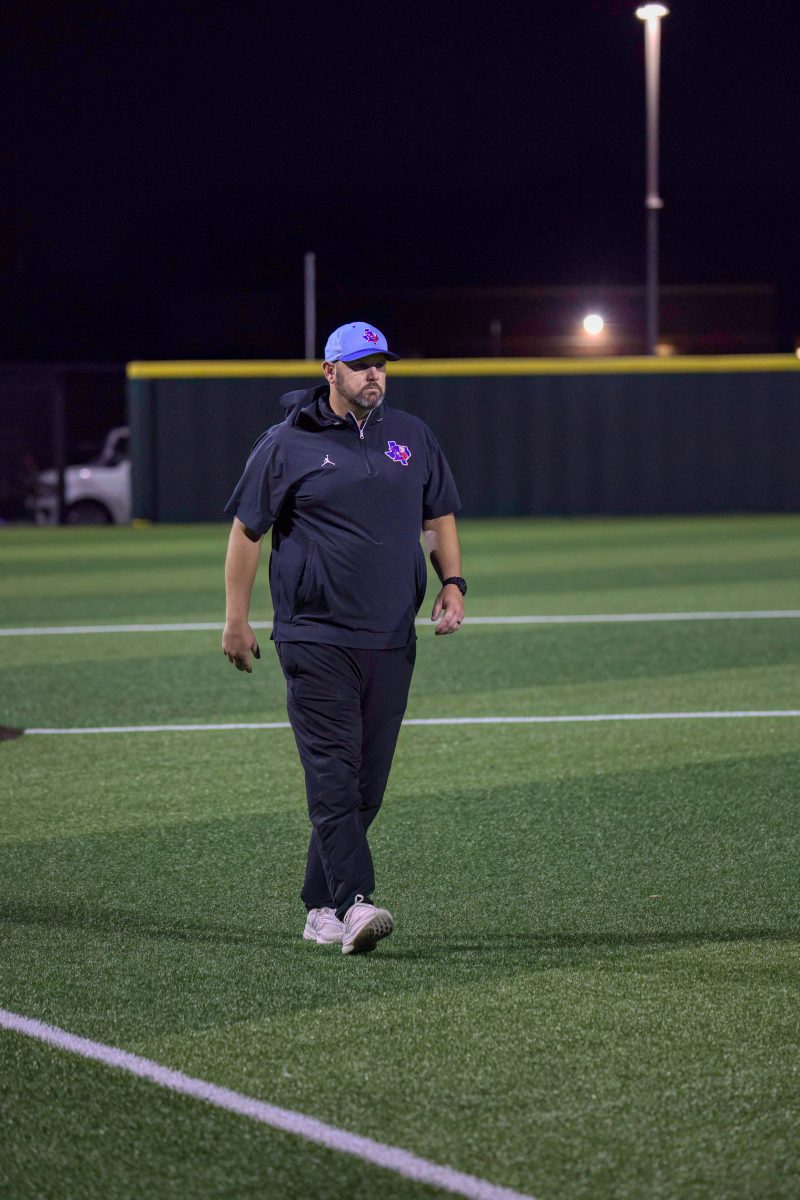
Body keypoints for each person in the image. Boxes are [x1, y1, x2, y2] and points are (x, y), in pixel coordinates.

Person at [222, 322, 466, 955]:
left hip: (390, 636)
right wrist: (236, 618)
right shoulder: (285, 443)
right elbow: (247, 531)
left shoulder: (412, 435)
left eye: (380, 363)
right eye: (360, 364)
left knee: (366, 788)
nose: (374, 374)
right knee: (334, 774)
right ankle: (356, 902)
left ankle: (319, 907)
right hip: (315, 636)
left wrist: (453, 581)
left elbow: (437, 513)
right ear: (329, 371)